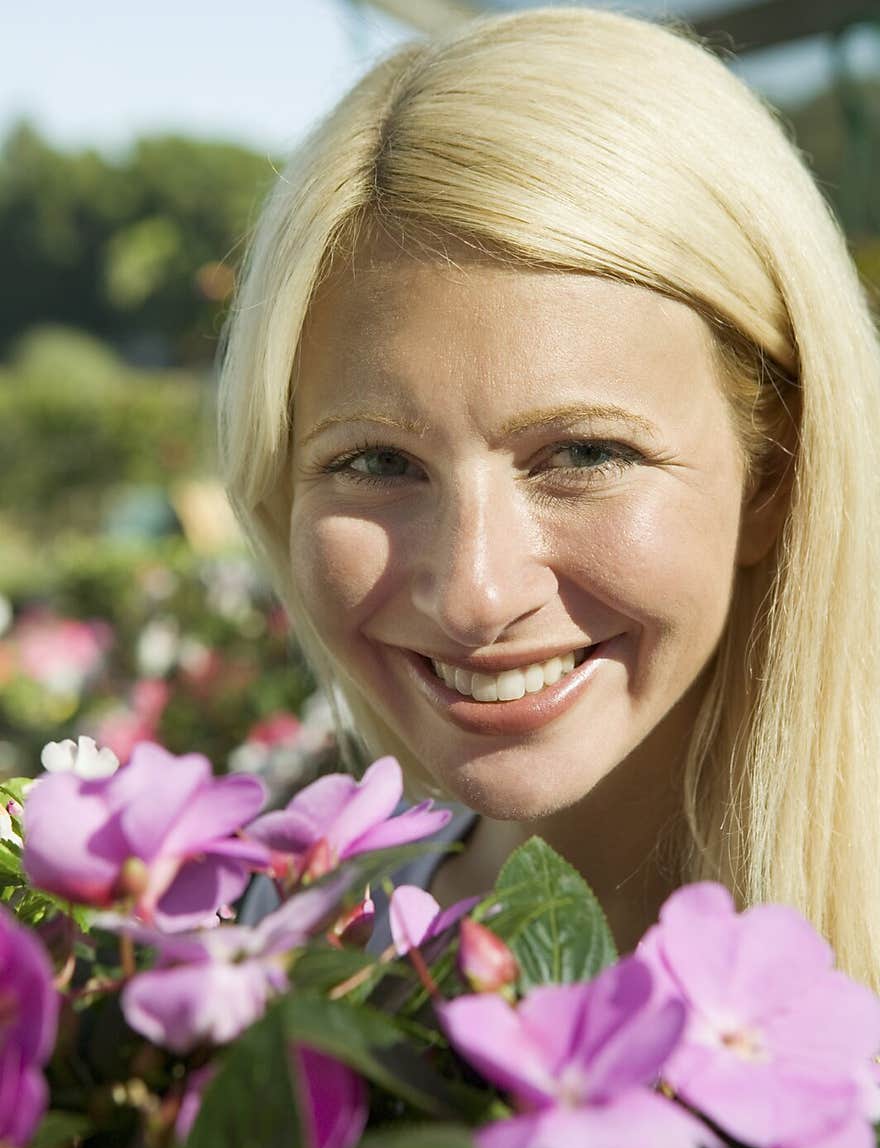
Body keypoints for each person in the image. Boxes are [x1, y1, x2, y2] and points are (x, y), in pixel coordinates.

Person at [218, 7, 880, 989]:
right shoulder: (274, 977)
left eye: (580, 451)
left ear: (773, 472)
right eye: (374, 464)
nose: (475, 594)